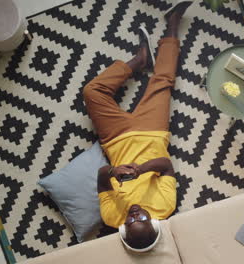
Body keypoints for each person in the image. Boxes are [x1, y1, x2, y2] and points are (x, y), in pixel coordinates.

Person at [83, 1, 193, 251]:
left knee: (91, 92)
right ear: (152, 221)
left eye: (130, 221)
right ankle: (173, 25)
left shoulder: (112, 218)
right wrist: (141, 170)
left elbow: (101, 180)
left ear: (123, 227)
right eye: (140, 219)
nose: (134, 214)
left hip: (115, 138)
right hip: (153, 132)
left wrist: (114, 172)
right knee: (163, 81)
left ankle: (139, 59)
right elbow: (166, 166)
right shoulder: (165, 208)